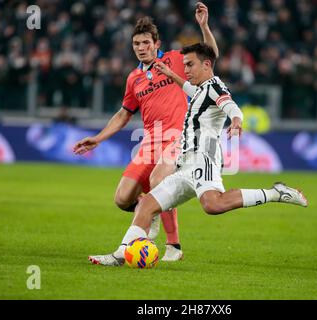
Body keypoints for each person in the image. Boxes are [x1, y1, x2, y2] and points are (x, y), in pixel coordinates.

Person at [100, 43, 308, 266]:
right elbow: (191, 90)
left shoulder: (215, 87)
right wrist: (171, 74)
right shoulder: (202, 88)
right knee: (147, 204)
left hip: (203, 158)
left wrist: (237, 121)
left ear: (206, 65)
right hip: (185, 161)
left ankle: (275, 193)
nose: (186, 70)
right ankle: (121, 254)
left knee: (213, 205)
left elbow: (231, 107)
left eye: (190, 65)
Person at [73, 3, 219, 264]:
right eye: (136, 44)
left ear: (156, 43)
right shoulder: (133, 79)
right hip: (150, 141)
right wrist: (98, 137)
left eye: (144, 43)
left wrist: (204, 26)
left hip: (178, 135)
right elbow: (123, 114)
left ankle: (171, 244)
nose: (140, 47)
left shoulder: (175, 58)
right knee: (122, 198)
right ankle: (148, 211)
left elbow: (211, 57)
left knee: (158, 179)